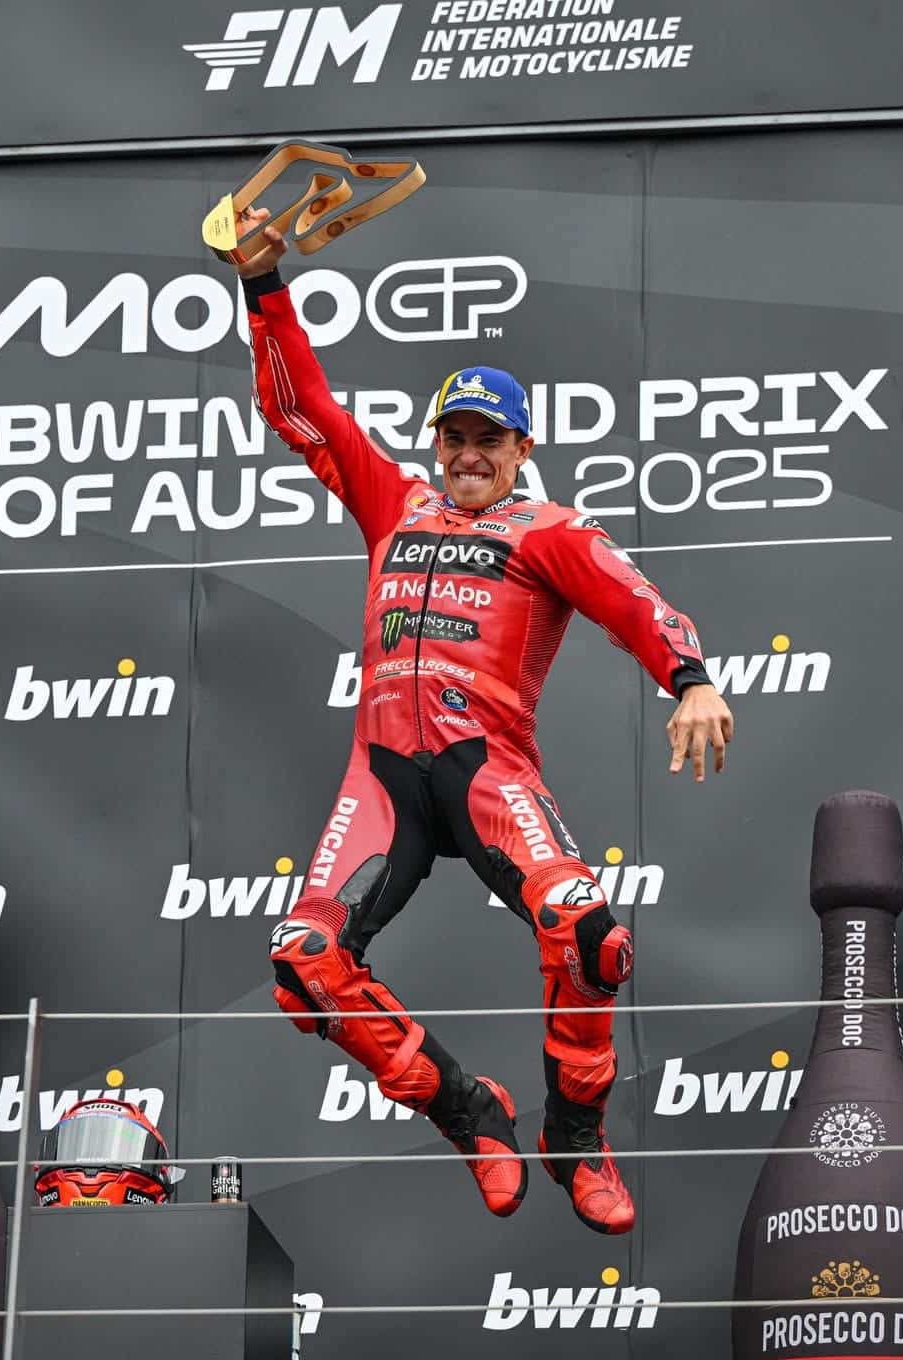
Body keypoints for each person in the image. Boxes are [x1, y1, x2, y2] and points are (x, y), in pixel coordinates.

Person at [233, 207, 734, 1235]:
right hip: (379, 780)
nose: (467, 456)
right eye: (453, 437)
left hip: (484, 773)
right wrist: (262, 286)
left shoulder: (547, 530)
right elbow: (303, 411)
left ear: (519, 448)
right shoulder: (392, 503)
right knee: (301, 964)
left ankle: (575, 1135)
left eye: (486, 441)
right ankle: (468, 1111)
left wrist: (688, 677)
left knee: (589, 936)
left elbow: (631, 599)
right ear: (435, 443)